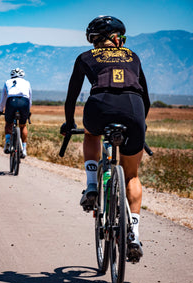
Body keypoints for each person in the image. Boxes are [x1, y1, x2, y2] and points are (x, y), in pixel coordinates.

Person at [60, 16, 150, 262]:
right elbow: (147, 98)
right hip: (134, 109)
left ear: (94, 40)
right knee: (131, 175)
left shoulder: (85, 57)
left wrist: (69, 123)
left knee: (91, 134)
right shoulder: (133, 56)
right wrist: (140, 127)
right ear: (118, 38)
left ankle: (91, 185)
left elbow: (72, 97)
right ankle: (133, 233)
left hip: (99, 107)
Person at [0, 68, 32, 158]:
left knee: (9, 123)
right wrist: (28, 111)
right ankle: (24, 149)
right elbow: (30, 98)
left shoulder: (7, 82)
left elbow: (3, 98)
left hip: (11, 101)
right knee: (23, 125)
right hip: (24, 102)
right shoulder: (27, 83)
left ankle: (8, 142)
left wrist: (1, 110)